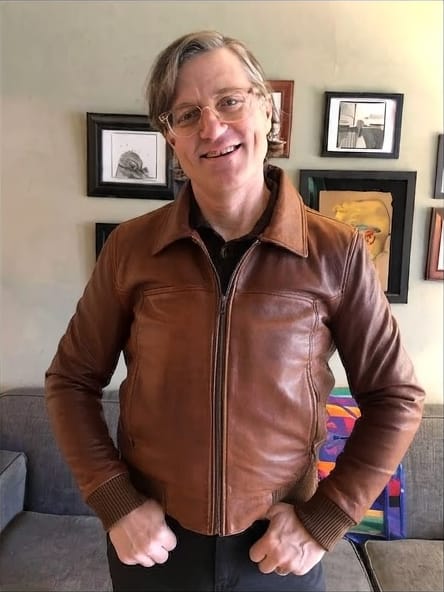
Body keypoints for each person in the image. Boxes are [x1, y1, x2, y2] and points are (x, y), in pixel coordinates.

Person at [45, 30, 425, 592]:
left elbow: (396, 397)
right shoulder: (130, 248)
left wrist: (324, 521)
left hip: (277, 551)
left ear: (267, 110)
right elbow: (71, 380)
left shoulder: (336, 251)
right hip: (154, 548)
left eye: (229, 101)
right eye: (187, 114)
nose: (212, 127)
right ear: (171, 137)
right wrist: (115, 502)